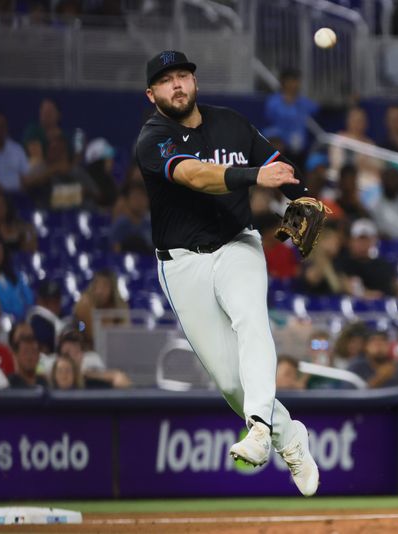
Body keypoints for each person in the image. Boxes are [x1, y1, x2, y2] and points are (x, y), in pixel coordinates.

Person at [134, 50, 319, 495]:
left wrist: (305, 195)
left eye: (183, 75)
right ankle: (290, 436)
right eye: (166, 80)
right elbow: (197, 176)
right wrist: (255, 175)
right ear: (152, 94)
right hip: (181, 264)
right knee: (229, 379)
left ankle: (258, 429)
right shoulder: (153, 138)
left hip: (238, 244)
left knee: (251, 318)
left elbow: (281, 168)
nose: (176, 85)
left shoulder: (232, 123)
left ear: (195, 82)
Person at [335, 218, 398, 299]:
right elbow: (344, 284)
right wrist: (365, 294)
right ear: (351, 241)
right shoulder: (342, 264)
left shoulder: (384, 266)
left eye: (367, 240)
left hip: (385, 308)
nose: (363, 244)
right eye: (360, 239)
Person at [264, 68, 319, 165]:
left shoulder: (304, 102)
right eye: (291, 80)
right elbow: (270, 122)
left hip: (300, 150)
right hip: (281, 149)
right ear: (284, 82)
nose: (294, 84)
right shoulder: (273, 102)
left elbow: (317, 108)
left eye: (296, 81)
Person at [72, 269, 129, 346]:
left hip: (113, 349)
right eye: (97, 285)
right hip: (87, 350)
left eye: (105, 286)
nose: (100, 291)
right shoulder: (84, 303)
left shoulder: (120, 307)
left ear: (112, 289)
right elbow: (86, 332)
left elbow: (125, 335)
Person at [369, 167, 398, 239]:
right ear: (383, 182)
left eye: (395, 179)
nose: (393, 183)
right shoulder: (374, 205)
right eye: (389, 180)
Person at [109, 181, 153, 254]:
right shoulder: (121, 224)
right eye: (135, 197)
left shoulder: (150, 224)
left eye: (143, 197)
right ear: (128, 200)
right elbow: (115, 250)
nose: (139, 201)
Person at [7, 322, 47, 388]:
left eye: (33, 352)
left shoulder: (44, 384)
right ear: (16, 355)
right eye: (26, 352)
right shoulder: (8, 384)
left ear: (39, 356)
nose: (30, 357)